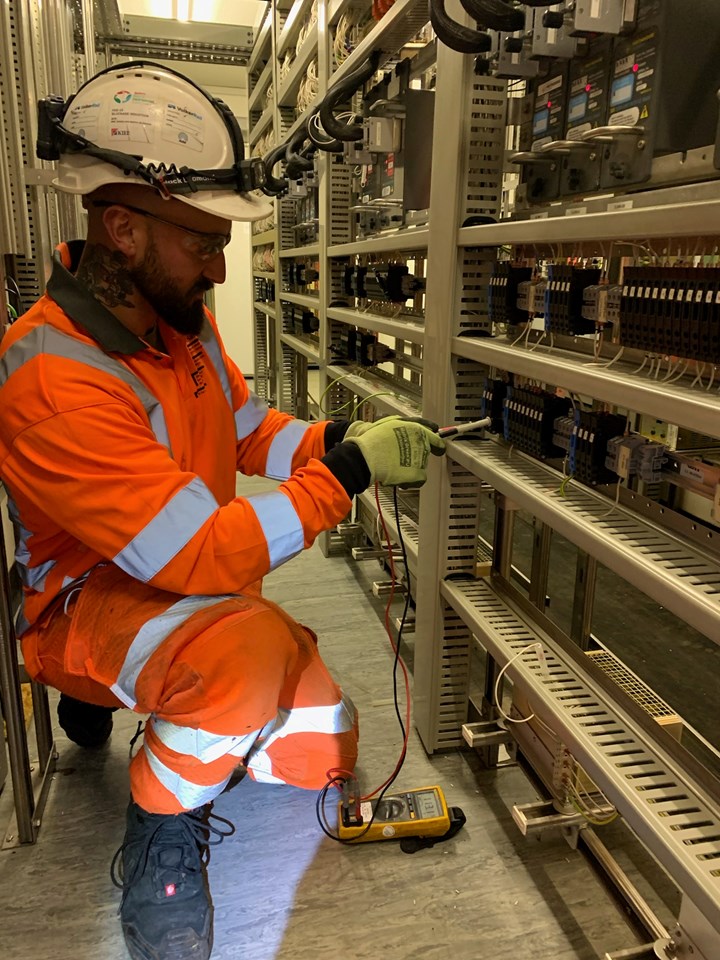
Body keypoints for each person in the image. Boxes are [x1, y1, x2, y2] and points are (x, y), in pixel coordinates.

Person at [0, 61, 445, 960]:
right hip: (85, 603)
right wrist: (345, 478)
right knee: (246, 661)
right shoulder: (52, 375)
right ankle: (161, 824)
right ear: (121, 230)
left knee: (328, 747)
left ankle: (167, 712)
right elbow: (196, 555)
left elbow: (245, 429)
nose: (222, 260)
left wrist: (332, 437)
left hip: (173, 588)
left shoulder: (183, 326)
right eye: (203, 239)